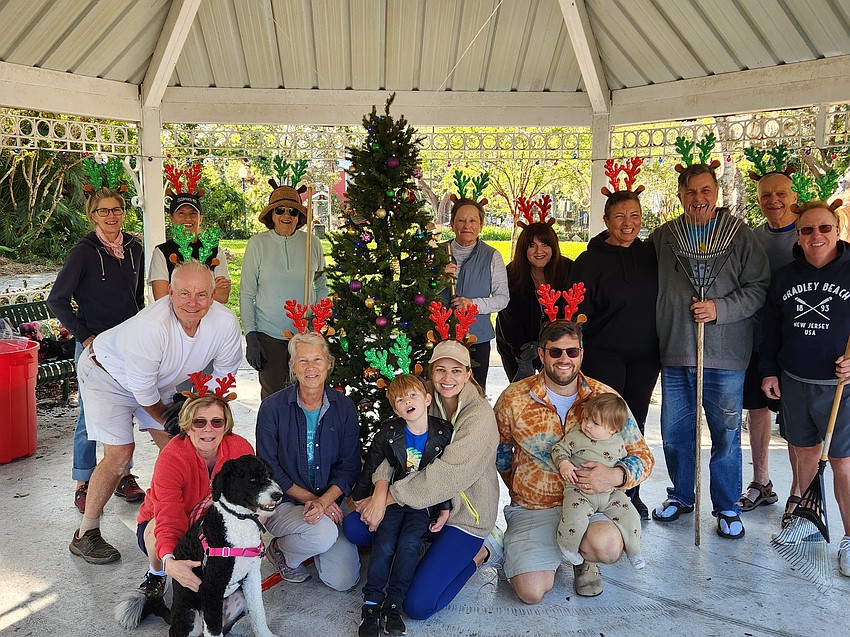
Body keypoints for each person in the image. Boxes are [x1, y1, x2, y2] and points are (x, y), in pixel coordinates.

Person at [69, 260, 243, 564]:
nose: (193, 302)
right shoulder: (152, 326)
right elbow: (144, 392)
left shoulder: (225, 322)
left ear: (214, 294)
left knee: (183, 447)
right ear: (169, 293)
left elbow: (223, 377)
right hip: (105, 373)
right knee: (120, 454)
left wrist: (197, 421)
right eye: (184, 293)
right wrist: (177, 420)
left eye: (202, 294)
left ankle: (190, 516)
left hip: (154, 380)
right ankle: (86, 533)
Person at [650, 163, 770, 540]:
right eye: (690, 191)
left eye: (705, 190)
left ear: (716, 192)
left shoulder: (739, 236)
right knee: (674, 432)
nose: (698, 199)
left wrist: (720, 309)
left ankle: (727, 505)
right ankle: (683, 495)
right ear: (680, 195)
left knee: (726, 432)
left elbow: (758, 287)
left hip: (725, 354)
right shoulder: (666, 237)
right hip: (676, 350)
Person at [495, 320, 653, 601]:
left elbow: (643, 456)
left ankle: (584, 559)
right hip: (535, 507)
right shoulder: (514, 398)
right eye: (555, 352)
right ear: (541, 354)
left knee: (607, 547)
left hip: (593, 505)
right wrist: (522, 486)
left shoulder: (605, 398)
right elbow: (501, 454)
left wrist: (615, 475)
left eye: (572, 352)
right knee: (530, 593)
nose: (564, 359)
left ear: (582, 353)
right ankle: (531, 547)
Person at [344, 339, 501, 621]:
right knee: (356, 526)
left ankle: (480, 554)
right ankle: (424, 551)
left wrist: (390, 498)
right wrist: (379, 494)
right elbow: (391, 451)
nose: (448, 378)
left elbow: (447, 475)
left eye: (456, 370)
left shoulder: (479, 417)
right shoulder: (421, 403)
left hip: (465, 515)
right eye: (440, 370)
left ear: (468, 374)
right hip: (420, 508)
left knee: (418, 606)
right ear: (430, 373)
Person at [760, 200, 850, 575]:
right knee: (804, 455)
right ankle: (810, 525)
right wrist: (769, 371)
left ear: (837, 229)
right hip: (795, 381)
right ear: (797, 235)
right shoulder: (785, 276)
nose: (817, 236)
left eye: (824, 228)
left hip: (840, 387)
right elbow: (770, 330)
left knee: (844, 464)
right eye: (808, 230)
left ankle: (849, 538)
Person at [47, 187, 146, 513]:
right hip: (95, 349)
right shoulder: (84, 251)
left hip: (127, 348)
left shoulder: (134, 248)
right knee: (90, 416)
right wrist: (85, 336)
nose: (112, 216)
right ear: (93, 215)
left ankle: (122, 475)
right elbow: (57, 300)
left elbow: (138, 300)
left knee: (125, 409)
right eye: (104, 211)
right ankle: (84, 482)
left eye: (116, 209)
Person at [567, 188, 659, 518]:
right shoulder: (589, 262)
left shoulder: (651, 254)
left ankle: (629, 490)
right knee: (602, 424)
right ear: (606, 221)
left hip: (646, 356)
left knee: (636, 422)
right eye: (619, 216)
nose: (628, 223)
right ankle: (593, 489)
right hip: (604, 354)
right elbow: (576, 312)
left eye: (634, 216)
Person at [256, 331, 361, 591]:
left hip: (330, 501)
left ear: (328, 364)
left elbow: (349, 466)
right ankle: (281, 550)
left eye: (317, 360)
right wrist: (312, 501)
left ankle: (308, 542)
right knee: (323, 533)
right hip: (286, 503)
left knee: (343, 580)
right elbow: (269, 469)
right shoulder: (272, 408)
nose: (310, 368)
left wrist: (325, 502)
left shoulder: (345, 407)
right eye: (302, 361)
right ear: (292, 367)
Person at [350, 374, 453, 637]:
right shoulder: (390, 432)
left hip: (421, 504)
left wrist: (444, 506)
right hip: (394, 500)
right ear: (395, 409)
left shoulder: (442, 433)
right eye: (400, 399)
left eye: (413, 395)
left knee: (409, 545)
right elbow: (373, 463)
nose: (408, 401)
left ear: (427, 399)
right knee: (384, 544)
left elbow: (444, 476)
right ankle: (372, 604)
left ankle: (394, 604)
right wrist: (361, 497)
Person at [134, 393, 254, 603]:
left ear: (226, 426)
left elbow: (250, 501)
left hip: (213, 522)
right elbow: (168, 517)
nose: (208, 429)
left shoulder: (240, 450)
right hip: (168, 523)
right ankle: (157, 573)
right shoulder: (171, 458)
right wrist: (171, 561)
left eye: (217, 422)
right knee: (156, 527)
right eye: (199, 422)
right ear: (187, 426)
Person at [738, 171, 798, 515]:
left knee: (795, 419)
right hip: (758, 340)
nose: (773, 201)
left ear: (792, 195)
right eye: (765, 195)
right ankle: (762, 481)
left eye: (780, 194)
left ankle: (799, 492)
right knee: (757, 410)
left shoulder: (808, 234)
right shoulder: (752, 238)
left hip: (798, 344)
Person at [241, 184, 327, 399]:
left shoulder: (312, 243)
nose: (286, 215)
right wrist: (251, 335)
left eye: (293, 211)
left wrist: (320, 323)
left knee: (309, 395)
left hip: (306, 334)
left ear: (299, 217)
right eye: (280, 210)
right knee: (274, 398)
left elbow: (322, 285)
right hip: (270, 334)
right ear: (271, 214)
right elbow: (247, 293)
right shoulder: (257, 244)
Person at [553, 393, 645, 570]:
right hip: (580, 490)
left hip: (610, 494)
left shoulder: (618, 442)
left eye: (595, 423)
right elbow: (559, 448)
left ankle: (634, 550)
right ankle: (568, 547)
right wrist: (564, 463)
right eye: (586, 418)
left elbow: (628, 460)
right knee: (575, 517)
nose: (587, 424)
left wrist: (617, 476)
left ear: (613, 429)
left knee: (631, 515)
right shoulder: (577, 435)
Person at [443, 198, 509, 390]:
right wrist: (438, 278)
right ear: (452, 224)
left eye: (473, 221)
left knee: (475, 391)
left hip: (476, 338)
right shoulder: (438, 252)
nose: (467, 226)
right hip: (440, 335)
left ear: (481, 225)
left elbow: (502, 298)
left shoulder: (492, 255)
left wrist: (472, 304)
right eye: (461, 220)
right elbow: (420, 293)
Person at [496, 221, 572, 382]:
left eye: (545, 244)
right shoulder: (511, 274)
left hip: (556, 347)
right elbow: (507, 318)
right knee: (521, 393)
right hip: (517, 346)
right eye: (532, 245)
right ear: (524, 249)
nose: (539, 251)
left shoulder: (567, 270)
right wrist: (521, 352)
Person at [148, 190, 231, 304]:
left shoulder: (215, 251)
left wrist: (179, 291)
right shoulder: (162, 252)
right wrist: (210, 289)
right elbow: (162, 298)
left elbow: (223, 296)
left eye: (193, 213)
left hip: (210, 319)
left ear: (200, 218)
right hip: (174, 321)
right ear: (171, 218)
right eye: (181, 213)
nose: (187, 218)